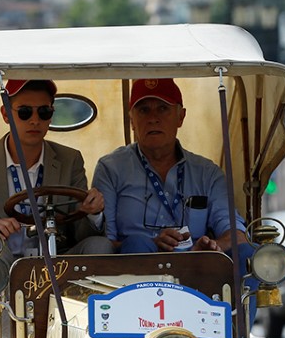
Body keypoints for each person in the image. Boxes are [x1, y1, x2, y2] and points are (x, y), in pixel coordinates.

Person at [0, 79, 110, 275]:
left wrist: (93, 212)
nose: (34, 120)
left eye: (44, 112)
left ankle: (86, 305)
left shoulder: (70, 159)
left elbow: (80, 234)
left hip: (57, 267)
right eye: (24, 112)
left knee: (100, 245)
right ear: (5, 114)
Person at [92, 78, 251, 256]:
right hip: (135, 270)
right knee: (137, 243)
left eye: (163, 109)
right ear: (131, 121)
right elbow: (105, 243)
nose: (153, 119)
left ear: (180, 117)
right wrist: (153, 244)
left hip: (197, 263)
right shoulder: (111, 168)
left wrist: (213, 246)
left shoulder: (207, 173)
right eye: (144, 110)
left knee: (247, 252)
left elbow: (237, 233)